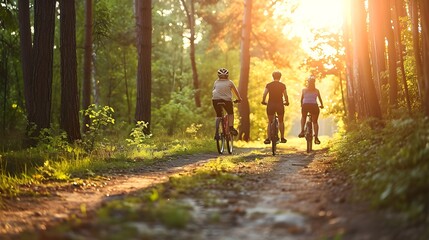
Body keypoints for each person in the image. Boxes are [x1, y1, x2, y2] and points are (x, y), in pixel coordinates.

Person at [212, 68, 242, 139]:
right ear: (227, 76)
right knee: (230, 113)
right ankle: (231, 128)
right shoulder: (230, 82)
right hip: (227, 101)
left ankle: (216, 132)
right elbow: (236, 91)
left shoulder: (216, 82)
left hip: (215, 100)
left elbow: (214, 90)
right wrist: (239, 99)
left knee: (218, 116)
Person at [261, 70, 289, 144]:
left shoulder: (269, 85)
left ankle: (268, 138)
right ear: (280, 77)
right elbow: (286, 95)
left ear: (273, 77)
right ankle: (282, 137)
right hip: (280, 104)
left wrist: (263, 101)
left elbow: (264, 94)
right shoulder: (282, 85)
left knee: (270, 122)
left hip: (271, 105)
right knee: (281, 121)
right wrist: (287, 101)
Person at [298, 75, 324, 144]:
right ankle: (316, 138)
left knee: (303, 117)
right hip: (314, 106)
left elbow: (301, 100)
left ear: (308, 83)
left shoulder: (304, 90)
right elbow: (320, 100)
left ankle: (302, 131)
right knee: (315, 122)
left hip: (305, 106)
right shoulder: (317, 90)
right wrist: (321, 105)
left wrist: (301, 105)